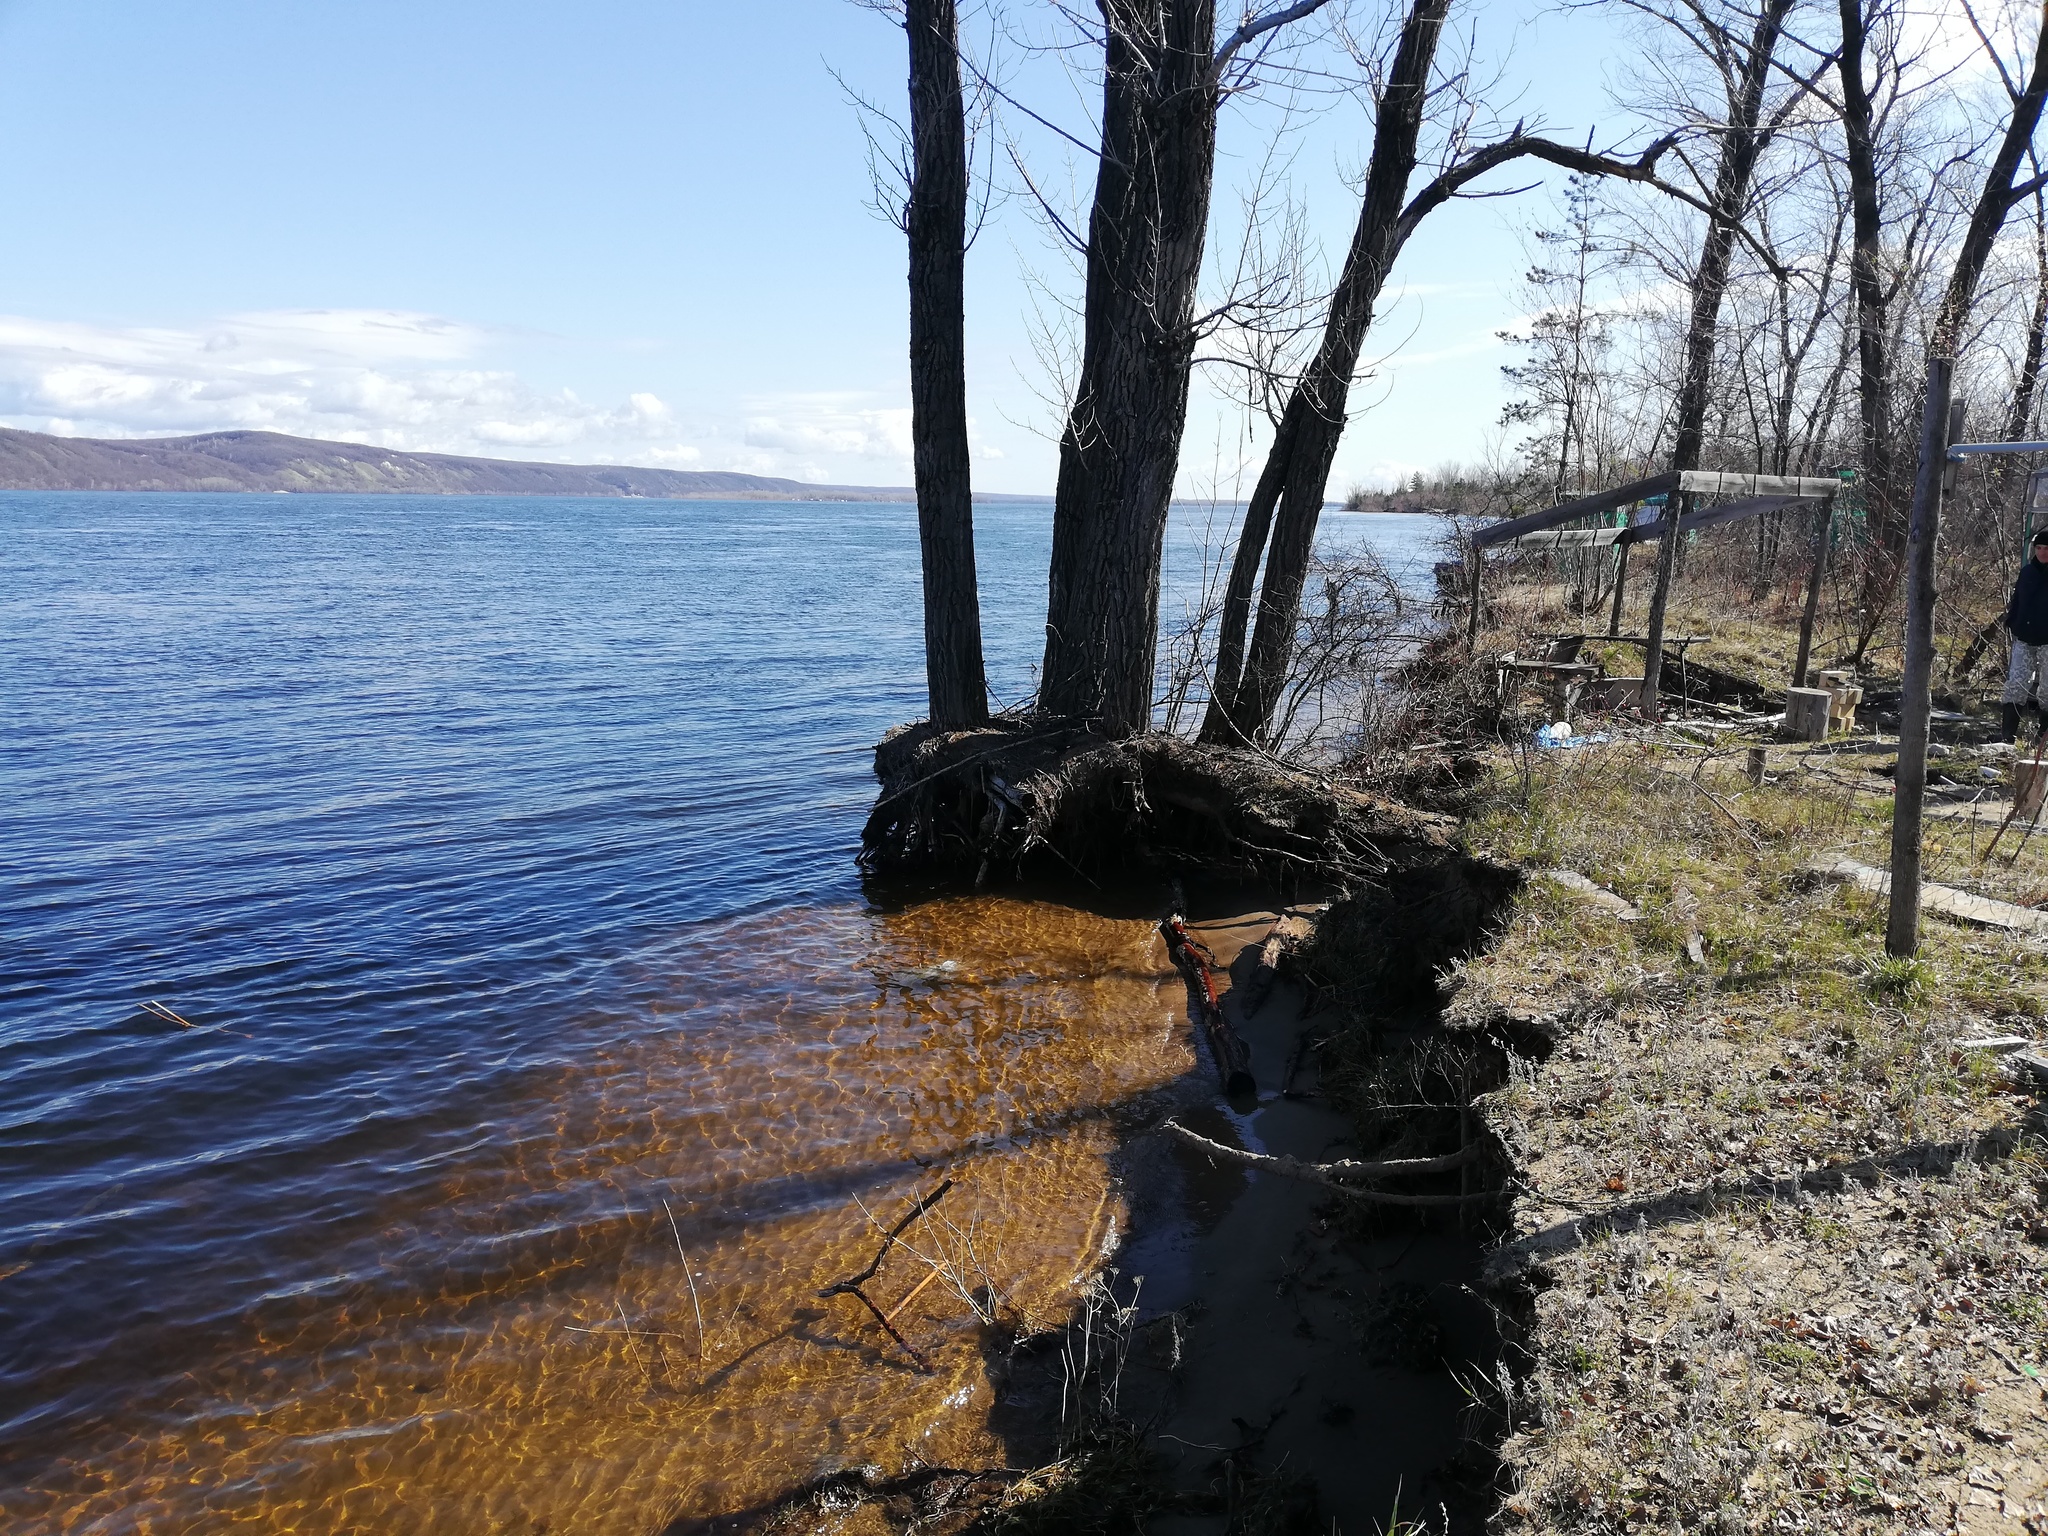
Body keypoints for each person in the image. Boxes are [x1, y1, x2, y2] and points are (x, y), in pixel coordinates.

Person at [2004, 527, 2048, 740]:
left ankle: (2043, 738)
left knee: (2047, 690)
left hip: (2047, 640)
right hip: (2024, 636)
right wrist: (2013, 622)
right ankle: (2007, 736)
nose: (2042, 552)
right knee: (2015, 684)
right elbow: (2018, 601)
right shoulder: (2028, 571)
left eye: (2047, 548)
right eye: (2039, 547)